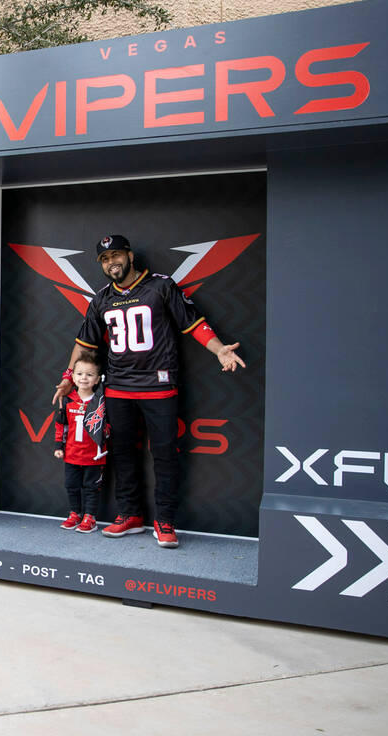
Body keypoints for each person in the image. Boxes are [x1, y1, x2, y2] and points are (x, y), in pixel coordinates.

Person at [51, 234, 244, 549]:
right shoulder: (100, 299)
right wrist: (68, 377)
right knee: (124, 454)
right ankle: (130, 516)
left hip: (158, 384)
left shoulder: (160, 286)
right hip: (118, 388)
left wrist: (219, 349)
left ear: (128, 255)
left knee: (165, 455)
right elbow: (84, 344)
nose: (111, 262)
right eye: (104, 259)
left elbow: (192, 322)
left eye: (115, 255)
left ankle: (165, 520)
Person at [52, 354, 108, 533]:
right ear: (73, 377)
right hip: (72, 454)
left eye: (90, 375)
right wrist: (59, 447)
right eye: (80, 374)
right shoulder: (68, 400)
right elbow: (61, 426)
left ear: (97, 379)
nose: (84, 378)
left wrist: (105, 433)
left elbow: (107, 426)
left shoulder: (100, 401)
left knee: (91, 487)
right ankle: (75, 513)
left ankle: (90, 518)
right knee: (71, 485)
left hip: (94, 455)